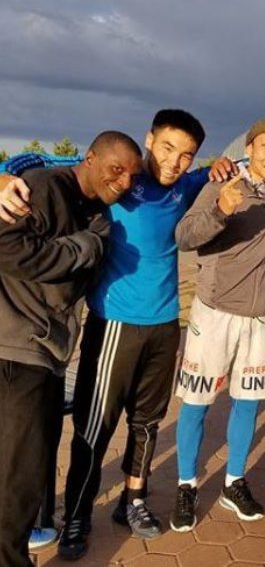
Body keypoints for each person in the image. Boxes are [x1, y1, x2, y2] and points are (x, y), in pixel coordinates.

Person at [0, 109, 207, 560]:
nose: (174, 161)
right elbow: (46, 165)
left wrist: (225, 166)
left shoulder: (179, 186)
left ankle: (133, 500)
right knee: (94, 426)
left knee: (147, 422)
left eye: (186, 155)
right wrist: (4, 175)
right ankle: (76, 514)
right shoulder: (116, 185)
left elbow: (214, 174)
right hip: (112, 322)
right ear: (149, 140)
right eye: (167, 148)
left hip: (164, 323)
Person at [0, 131, 141, 567]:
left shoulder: (94, 210)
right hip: (16, 348)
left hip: (44, 353)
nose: (123, 182)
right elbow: (8, 247)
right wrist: (84, 247)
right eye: (116, 169)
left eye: (131, 176)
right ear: (91, 158)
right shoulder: (43, 187)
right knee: (19, 479)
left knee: (28, 467)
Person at [169, 117, 265, 532]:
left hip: (258, 317)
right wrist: (221, 209)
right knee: (197, 402)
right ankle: (186, 484)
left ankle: (233, 482)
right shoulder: (223, 184)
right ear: (250, 149)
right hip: (214, 313)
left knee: (248, 402)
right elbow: (185, 236)